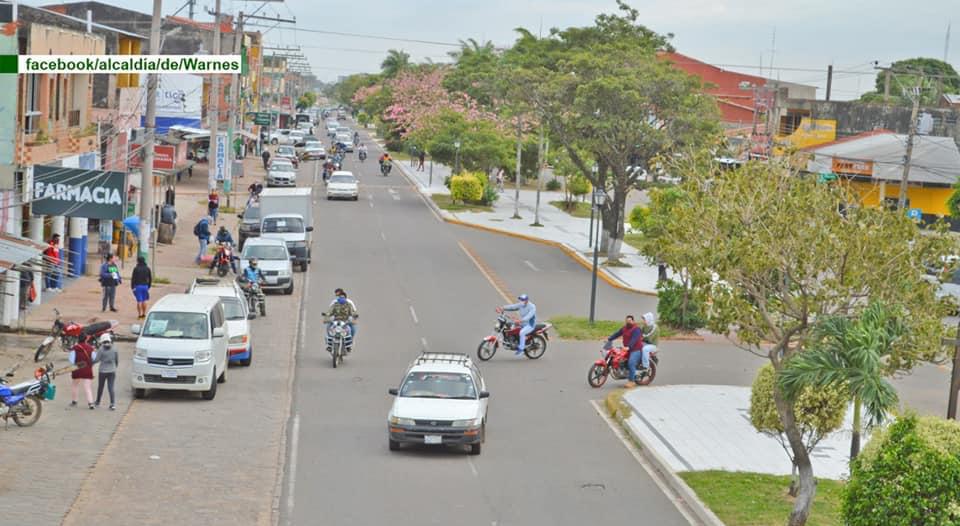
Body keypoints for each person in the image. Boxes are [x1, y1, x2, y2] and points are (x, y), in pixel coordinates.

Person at [606, 315, 644, 386]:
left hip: (636, 349)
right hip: (627, 349)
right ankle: (622, 371)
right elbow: (617, 333)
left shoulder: (636, 329)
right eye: (627, 321)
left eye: (630, 321)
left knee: (631, 363)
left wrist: (628, 347)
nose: (628, 322)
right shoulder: (624, 328)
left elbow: (634, 339)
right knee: (617, 358)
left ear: (633, 321)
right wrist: (610, 338)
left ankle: (631, 381)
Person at [69, 336, 97, 410]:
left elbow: (71, 360)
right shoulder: (91, 348)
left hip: (77, 369)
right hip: (87, 369)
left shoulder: (74, 348)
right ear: (86, 339)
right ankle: (91, 403)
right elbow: (95, 358)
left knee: (75, 385)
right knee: (87, 387)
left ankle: (74, 401)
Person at [94, 333, 119, 410]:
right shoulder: (114, 349)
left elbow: (97, 360)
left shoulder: (101, 349)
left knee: (100, 387)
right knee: (111, 387)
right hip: (112, 371)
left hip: (102, 371)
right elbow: (117, 360)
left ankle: (98, 402)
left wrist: (90, 363)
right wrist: (115, 367)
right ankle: (112, 404)